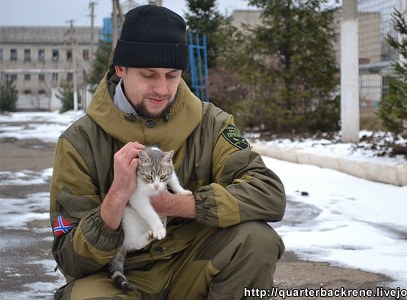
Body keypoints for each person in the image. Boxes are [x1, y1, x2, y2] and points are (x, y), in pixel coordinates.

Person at [50, 5, 285, 300]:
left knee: (258, 240)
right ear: (121, 68)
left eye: (172, 75)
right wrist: (115, 200)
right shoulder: (79, 142)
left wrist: (175, 205)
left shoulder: (211, 124)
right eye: (149, 75)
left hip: (192, 267)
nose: (162, 88)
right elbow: (69, 258)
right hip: (115, 277)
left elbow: (269, 194)